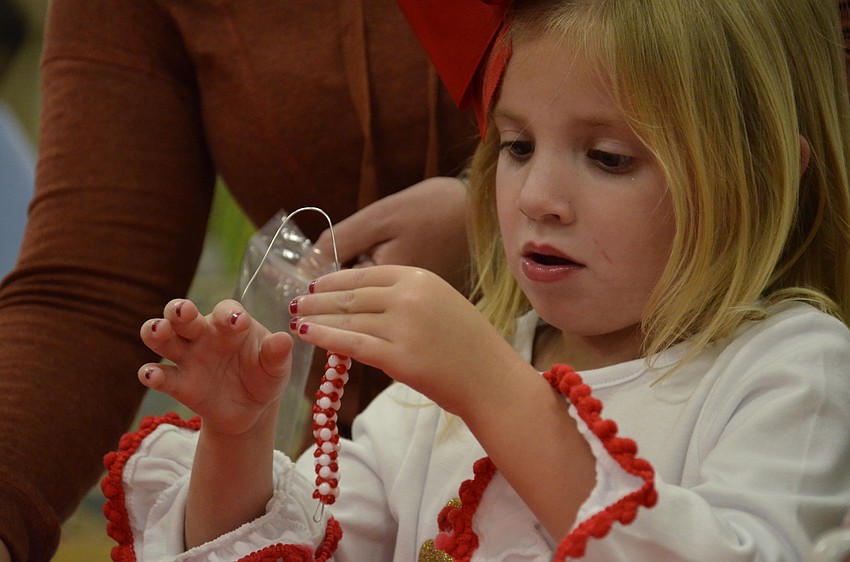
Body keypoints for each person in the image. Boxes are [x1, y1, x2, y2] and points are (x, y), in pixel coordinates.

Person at [102, 0, 850, 560]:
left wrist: (491, 387)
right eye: (518, 146)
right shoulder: (429, 407)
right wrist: (236, 440)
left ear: (759, 178)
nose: (535, 198)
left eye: (610, 158)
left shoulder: (792, 371)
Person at [0, 1, 479, 561]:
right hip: (355, 471)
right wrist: (236, 440)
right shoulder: (356, 472)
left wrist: (492, 224)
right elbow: (85, 288)